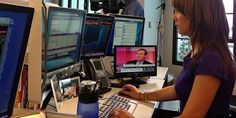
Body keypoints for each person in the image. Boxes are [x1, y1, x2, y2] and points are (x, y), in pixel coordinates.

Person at [109, 0, 236, 117]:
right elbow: (177, 89)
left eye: (178, 11)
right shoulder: (199, 53)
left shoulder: (211, 59)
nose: (173, 17)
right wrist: (142, 95)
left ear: (198, 16)